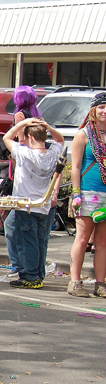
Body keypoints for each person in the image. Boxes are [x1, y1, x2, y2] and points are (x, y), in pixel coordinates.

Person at [3, 118, 64, 288]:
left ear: (30, 138)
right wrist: (49, 126)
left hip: (26, 204)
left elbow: (6, 138)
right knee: (40, 241)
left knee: (27, 242)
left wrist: (23, 123)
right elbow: (60, 140)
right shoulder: (53, 154)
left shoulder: (24, 153)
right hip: (44, 205)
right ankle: (38, 274)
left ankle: (30, 277)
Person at [68, 93, 106, 297]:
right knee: (82, 239)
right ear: (93, 110)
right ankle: (75, 282)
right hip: (87, 193)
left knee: (102, 242)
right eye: (101, 107)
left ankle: (100, 284)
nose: (105, 111)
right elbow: (74, 167)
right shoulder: (83, 134)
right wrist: (76, 193)